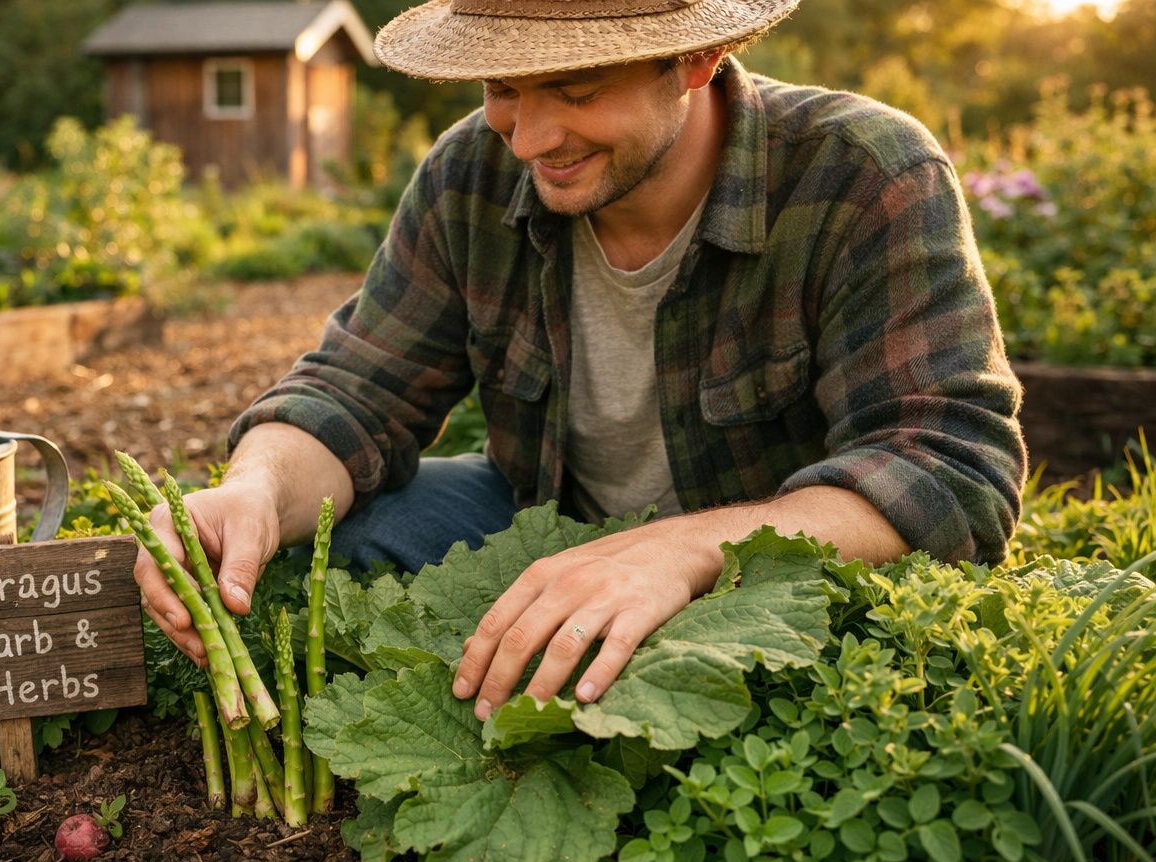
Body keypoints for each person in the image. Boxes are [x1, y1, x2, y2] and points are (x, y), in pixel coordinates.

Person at [132, 0, 1026, 723]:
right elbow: (357, 391)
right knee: (342, 536)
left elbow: (947, 466)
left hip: (763, 558)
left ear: (696, 59)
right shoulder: (469, 174)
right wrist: (253, 487)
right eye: (504, 86)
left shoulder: (863, 173)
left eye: (575, 87)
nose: (527, 137)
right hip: (549, 518)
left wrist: (677, 551)